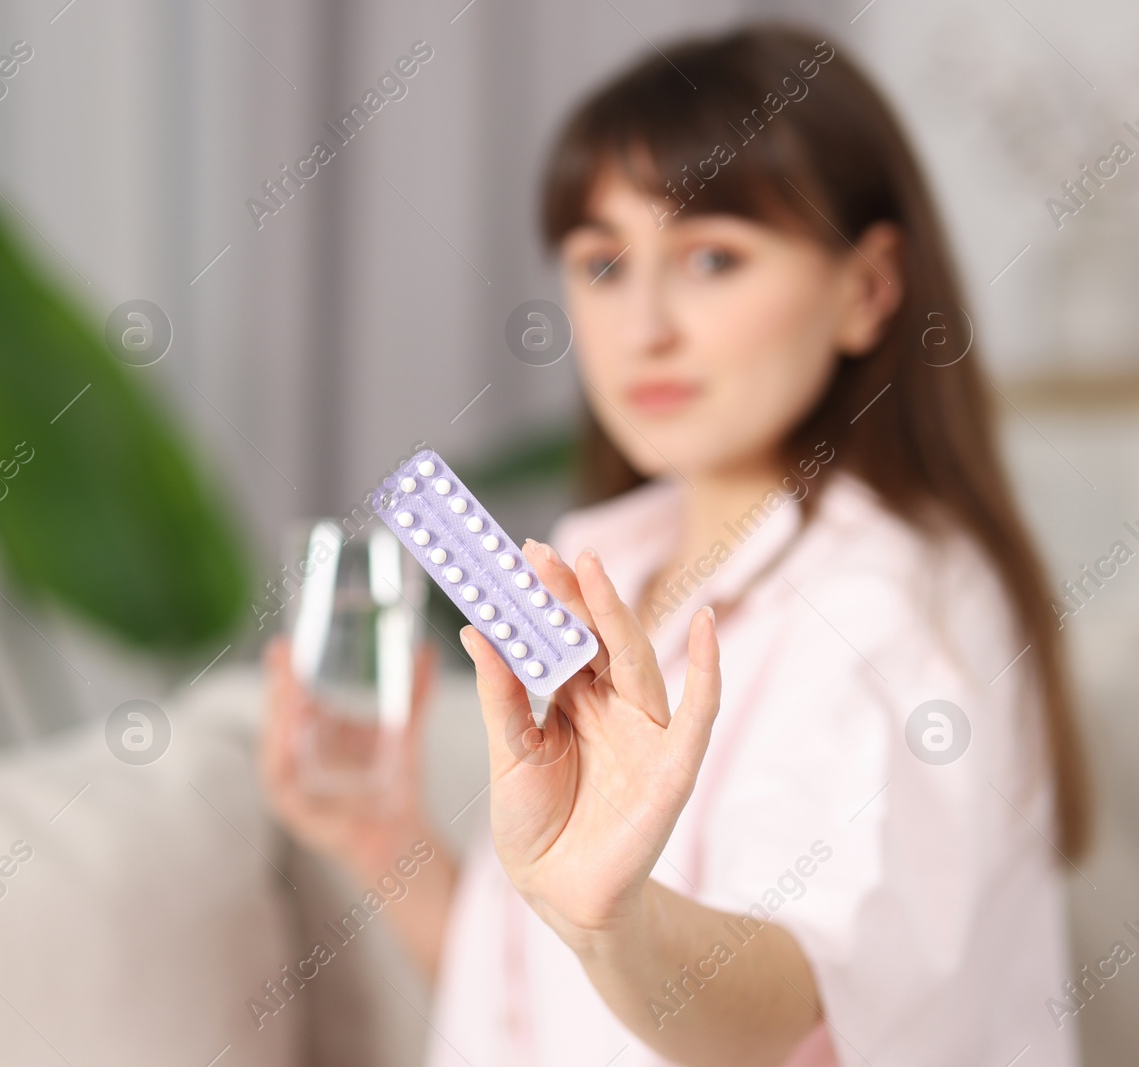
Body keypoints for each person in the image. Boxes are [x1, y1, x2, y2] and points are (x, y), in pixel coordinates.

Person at [261, 24, 1089, 1067]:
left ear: (868, 287)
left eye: (711, 256)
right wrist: (384, 838)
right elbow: (551, 1018)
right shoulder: (614, 573)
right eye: (603, 262)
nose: (642, 323)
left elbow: (806, 992)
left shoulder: (892, 605)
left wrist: (619, 918)